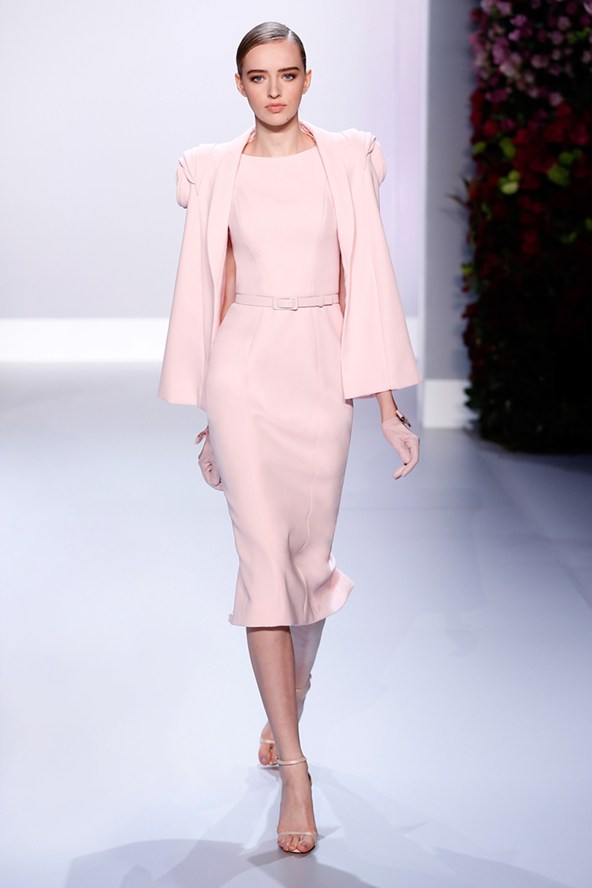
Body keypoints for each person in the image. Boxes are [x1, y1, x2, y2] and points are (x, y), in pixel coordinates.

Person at [158, 21, 421, 855]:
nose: (273, 90)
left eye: (287, 74)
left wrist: (386, 408)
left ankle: (290, 700)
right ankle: (296, 769)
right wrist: (212, 413)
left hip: (320, 363)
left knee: (307, 560)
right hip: (244, 367)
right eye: (257, 76)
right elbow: (220, 283)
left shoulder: (347, 159)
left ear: (308, 79)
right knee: (264, 564)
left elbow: (363, 282)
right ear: (238, 83)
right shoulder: (214, 169)